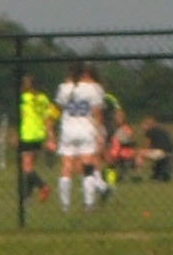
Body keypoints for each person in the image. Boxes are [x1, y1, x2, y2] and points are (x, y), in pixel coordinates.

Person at [54, 62, 106, 210]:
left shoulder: (63, 88)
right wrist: (99, 133)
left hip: (68, 129)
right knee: (88, 166)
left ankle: (65, 205)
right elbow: (97, 113)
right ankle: (89, 203)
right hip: (87, 129)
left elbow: (61, 108)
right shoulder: (93, 88)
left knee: (66, 166)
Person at [17, 74, 55, 202]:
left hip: (27, 134)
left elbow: (21, 115)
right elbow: (48, 118)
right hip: (39, 134)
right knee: (31, 166)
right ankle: (28, 197)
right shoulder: (43, 99)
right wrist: (50, 136)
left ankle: (43, 186)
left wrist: (17, 133)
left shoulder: (24, 98)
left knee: (26, 167)